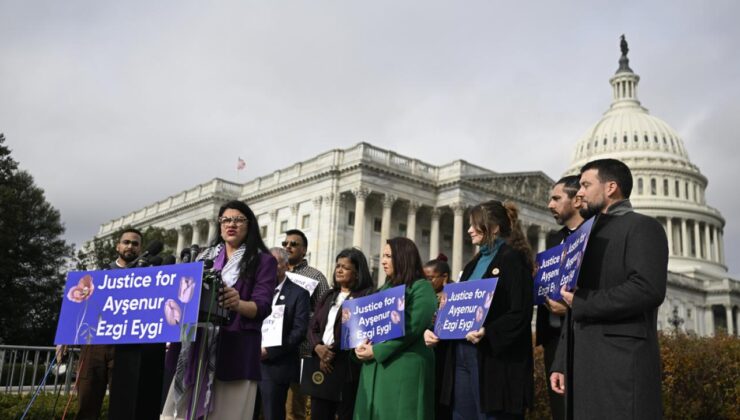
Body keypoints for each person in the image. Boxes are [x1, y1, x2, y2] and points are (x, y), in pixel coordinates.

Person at [550, 159, 668, 419]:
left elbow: (647, 289)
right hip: (581, 364)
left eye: (585, 185)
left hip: (620, 365)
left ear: (611, 187)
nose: (579, 193)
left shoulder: (643, 227)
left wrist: (583, 301)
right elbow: (573, 301)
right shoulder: (584, 235)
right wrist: (561, 361)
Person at [161, 200, 276, 420]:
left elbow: (262, 306)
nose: (231, 224)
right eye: (225, 220)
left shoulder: (263, 261)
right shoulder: (203, 258)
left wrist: (237, 302)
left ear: (249, 225)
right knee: (177, 413)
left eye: (238, 220)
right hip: (196, 346)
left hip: (235, 350)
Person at [425, 200, 534, 419]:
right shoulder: (472, 265)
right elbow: (456, 309)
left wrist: (488, 331)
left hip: (492, 359)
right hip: (461, 354)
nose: (469, 230)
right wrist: (435, 328)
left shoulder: (512, 259)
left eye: (475, 225)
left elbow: (520, 313)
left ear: (493, 228)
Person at [353, 237, 436, 419]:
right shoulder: (383, 289)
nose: (382, 260)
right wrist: (360, 344)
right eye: (383, 255)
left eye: (388, 256)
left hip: (403, 368)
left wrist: (376, 350)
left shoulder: (422, 288)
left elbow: (411, 327)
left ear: (403, 258)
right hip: (374, 367)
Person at [63, 228, 142, 420]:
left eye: (135, 243)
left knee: (124, 406)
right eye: (126, 242)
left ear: (140, 249)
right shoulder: (99, 275)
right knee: (87, 401)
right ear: (118, 246)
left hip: (127, 347)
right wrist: (65, 335)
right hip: (95, 344)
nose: (130, 246)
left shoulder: (148, 276)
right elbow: (80, 306)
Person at [307, 248, 375, 420]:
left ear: (358, 273)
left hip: (346, 367)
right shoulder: (329, 295)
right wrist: (318, 348)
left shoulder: (366, 297)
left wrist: (330, 353)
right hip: (321, 364)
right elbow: (312, 326)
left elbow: (354, 331)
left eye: (345, 267)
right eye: (338, 266)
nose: (339, 270)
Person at [537, 175, 583, 420]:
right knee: (560, 409)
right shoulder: (554, 239)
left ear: (577, 200)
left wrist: (573, 308)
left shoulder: (595, 236)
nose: (549, 205)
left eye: (556, 198)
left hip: (581, 333)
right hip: (553, 336)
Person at [281, 229, 330, 420]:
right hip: (274, 350)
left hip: (301, 350)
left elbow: (324, 312)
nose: (288, 247)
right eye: (285, 244)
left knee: (295, 408)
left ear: (304, 250)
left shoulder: (315, 277)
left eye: (294, 244)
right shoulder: (277, 273)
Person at [259, 248, 310, 420]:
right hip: (250, 365)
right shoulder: (256, 291)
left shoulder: (299, 294)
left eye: (273, 263)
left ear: (286, 266)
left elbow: (299, 332)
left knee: (272, 415)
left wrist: (270, 351)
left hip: (276, 368)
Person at [423, 254, 452, 420]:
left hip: (445, 357)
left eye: (431, 278)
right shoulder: (424, 297)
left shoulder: (455, 296)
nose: (428, 282)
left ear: (444, 277)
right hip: (427, 356)